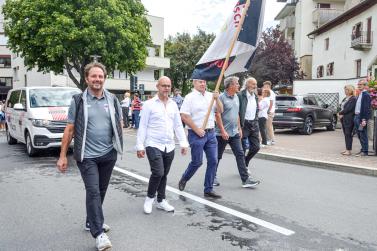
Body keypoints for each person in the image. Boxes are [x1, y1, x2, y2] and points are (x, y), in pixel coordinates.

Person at [57, 62, 123, 251]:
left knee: (100, 191)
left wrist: (118, 143)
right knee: (93, 191)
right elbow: (69, 129)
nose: (97, 79)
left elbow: (118, 122)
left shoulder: (112, 99)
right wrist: (62, 156)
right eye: (93, 76)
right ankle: (98, 233)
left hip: (108, 154)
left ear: (104, 78)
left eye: (100, 76)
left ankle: (90, 221)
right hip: (87, 156)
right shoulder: (78, 100)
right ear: (86, 79)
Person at [136, 76, 189, 214]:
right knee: (158, 172)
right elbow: (142, 126)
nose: (166, 88)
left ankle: (161, 200)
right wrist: (140, 146)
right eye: (163, 85)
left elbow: (178, 125)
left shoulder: (173, 104)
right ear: (157, 87)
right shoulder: (149, 104)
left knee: (164, 174)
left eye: (168, 86)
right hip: (153, 144)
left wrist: (183, 143)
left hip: (169, 145)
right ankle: (149, 198)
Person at [178, 78, 223, 199]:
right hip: (196, 133)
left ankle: (208, 189)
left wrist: (217, 98)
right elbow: (184, 116)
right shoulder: (189, 97)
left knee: (213, 161)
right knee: (197, 162)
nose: (203, 83)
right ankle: (184, 178)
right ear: (194, 83)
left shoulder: (211, 96)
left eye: (204, 81)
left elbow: (220, 110)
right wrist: (197, 129)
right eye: (200, 82)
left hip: (211, 133)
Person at [214, 76, 260, 188]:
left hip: (234, 133)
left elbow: (237, 114)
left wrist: (239, 128)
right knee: (217, 156)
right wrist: (223, 131)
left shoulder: (236, 97)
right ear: (230, 85)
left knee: (240, 154)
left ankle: (245, 180)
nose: (239, 85)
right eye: (237, 83)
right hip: (222, 134)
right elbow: (217, 115)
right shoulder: (221, 97)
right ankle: (212, 177)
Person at [238, 77, 260, 168]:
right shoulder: (240, 95)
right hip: (244, 125)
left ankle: (245, 162)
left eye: (255, 84)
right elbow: (237, 111)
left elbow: (256, 110)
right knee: (242, 149)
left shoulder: (255, 96)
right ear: (247, 85)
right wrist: (238, 126)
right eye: (252, 84)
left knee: (256, 147)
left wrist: (256, 120)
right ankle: (243, 169)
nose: (255, 86)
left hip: (253, 124)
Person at [354, 79, 371, 157]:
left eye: (360, 84)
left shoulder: (366, 95)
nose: (359, 86)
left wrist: (364, 120)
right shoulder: (360, 94)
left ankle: (365, 151)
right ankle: (362, 149)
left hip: (361, 118)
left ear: (365, 85)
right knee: (359, 134)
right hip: (357, 116)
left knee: (363, 134)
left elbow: (366, 108)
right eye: (358, 84)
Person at [339, 85, 357, 156]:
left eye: (346, 90)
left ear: (350, 90)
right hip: (343, 118)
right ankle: (347, 149)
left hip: (349, 119)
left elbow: (349, 109)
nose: (345, 91)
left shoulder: (353, 99)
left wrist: (340, 113)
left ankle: (349, 151)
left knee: (348, 134)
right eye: (345, 90)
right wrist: (340, 114)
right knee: (346, 134)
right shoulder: (345, 98)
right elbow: (341, 106)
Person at [263, 81, 276, 145]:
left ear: (269, 86)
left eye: (266, 86)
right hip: (268, 111)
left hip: (270, 112)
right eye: (264, 86)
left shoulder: (271, 92)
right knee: (268, 126)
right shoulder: (267, 92)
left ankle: (271, 140)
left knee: (269, 126)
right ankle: (271, 139)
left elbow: (271, 103)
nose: (265, 87)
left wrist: (268, 110)